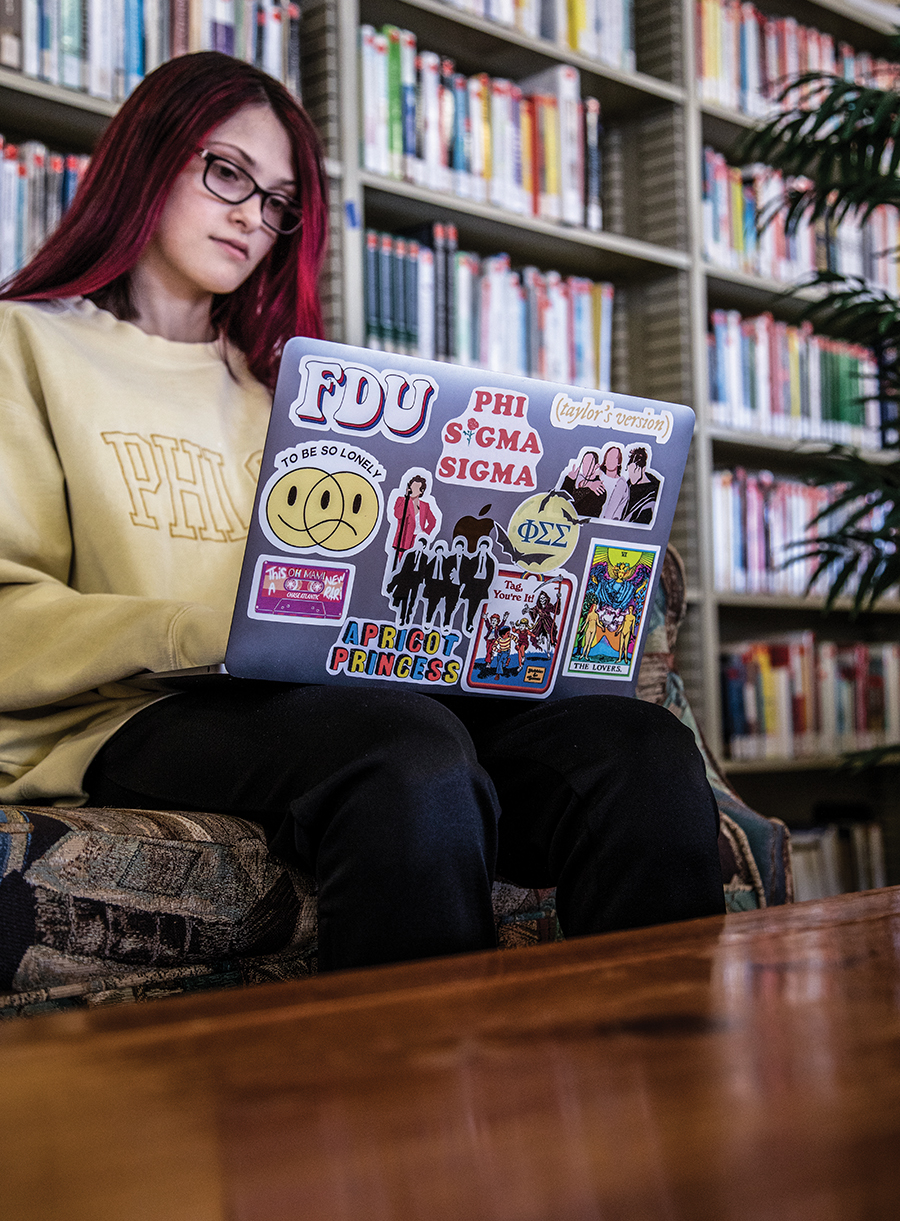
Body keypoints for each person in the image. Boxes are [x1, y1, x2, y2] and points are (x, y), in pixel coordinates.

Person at [0, 53, 724, 976]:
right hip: (132, 712)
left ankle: (667, 1086)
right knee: (403, 754)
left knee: (636, 750)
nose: (251, 216)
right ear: (148, 156)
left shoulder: (296, 396)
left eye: (279, 202)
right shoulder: (25, 342)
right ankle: (413, 1106)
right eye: (227, 172)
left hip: (332, 700)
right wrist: (208, 629)